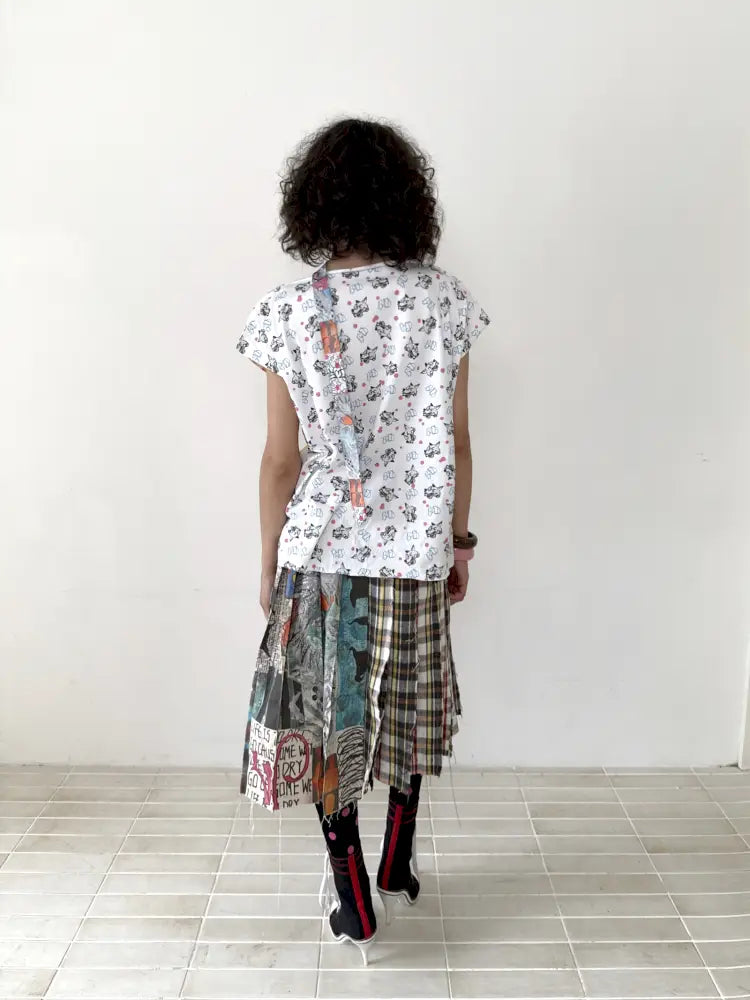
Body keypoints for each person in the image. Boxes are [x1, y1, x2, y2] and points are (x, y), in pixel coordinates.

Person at [236, 117, 489, 965]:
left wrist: (269, 562)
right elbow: (457, 442)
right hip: (414, 552)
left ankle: (353, 899)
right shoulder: (444, 302)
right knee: (410, 706)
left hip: (322, 555)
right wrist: (458, 543)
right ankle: (398, 863)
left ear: (311, 205)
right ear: (405, 201)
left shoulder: (286, 312)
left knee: (328, 720)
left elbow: (280, 461)